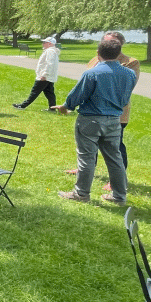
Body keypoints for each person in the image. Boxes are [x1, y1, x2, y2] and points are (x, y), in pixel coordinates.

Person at [56, 36, 137, 205]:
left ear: (98, 53)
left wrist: (65, 107)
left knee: (86, 158)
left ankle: (81, 194)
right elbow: (125, 99)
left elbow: (76, 96)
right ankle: (119, 196)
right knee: (115, 159)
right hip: (114, 120)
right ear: (118, 53)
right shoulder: (129, 73)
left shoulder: (92, 73)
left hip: (90, 120)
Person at [14, 36, 60, 110]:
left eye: (44, 42)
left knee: (35, 91)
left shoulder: (50, 51)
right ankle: (52, 108)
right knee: (49, 93)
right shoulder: (51, 51)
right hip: (49, 76)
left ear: (49, 44)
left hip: (45, 77)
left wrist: (44, 75)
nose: (43, 44)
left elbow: (49, 64)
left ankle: (23, 106)